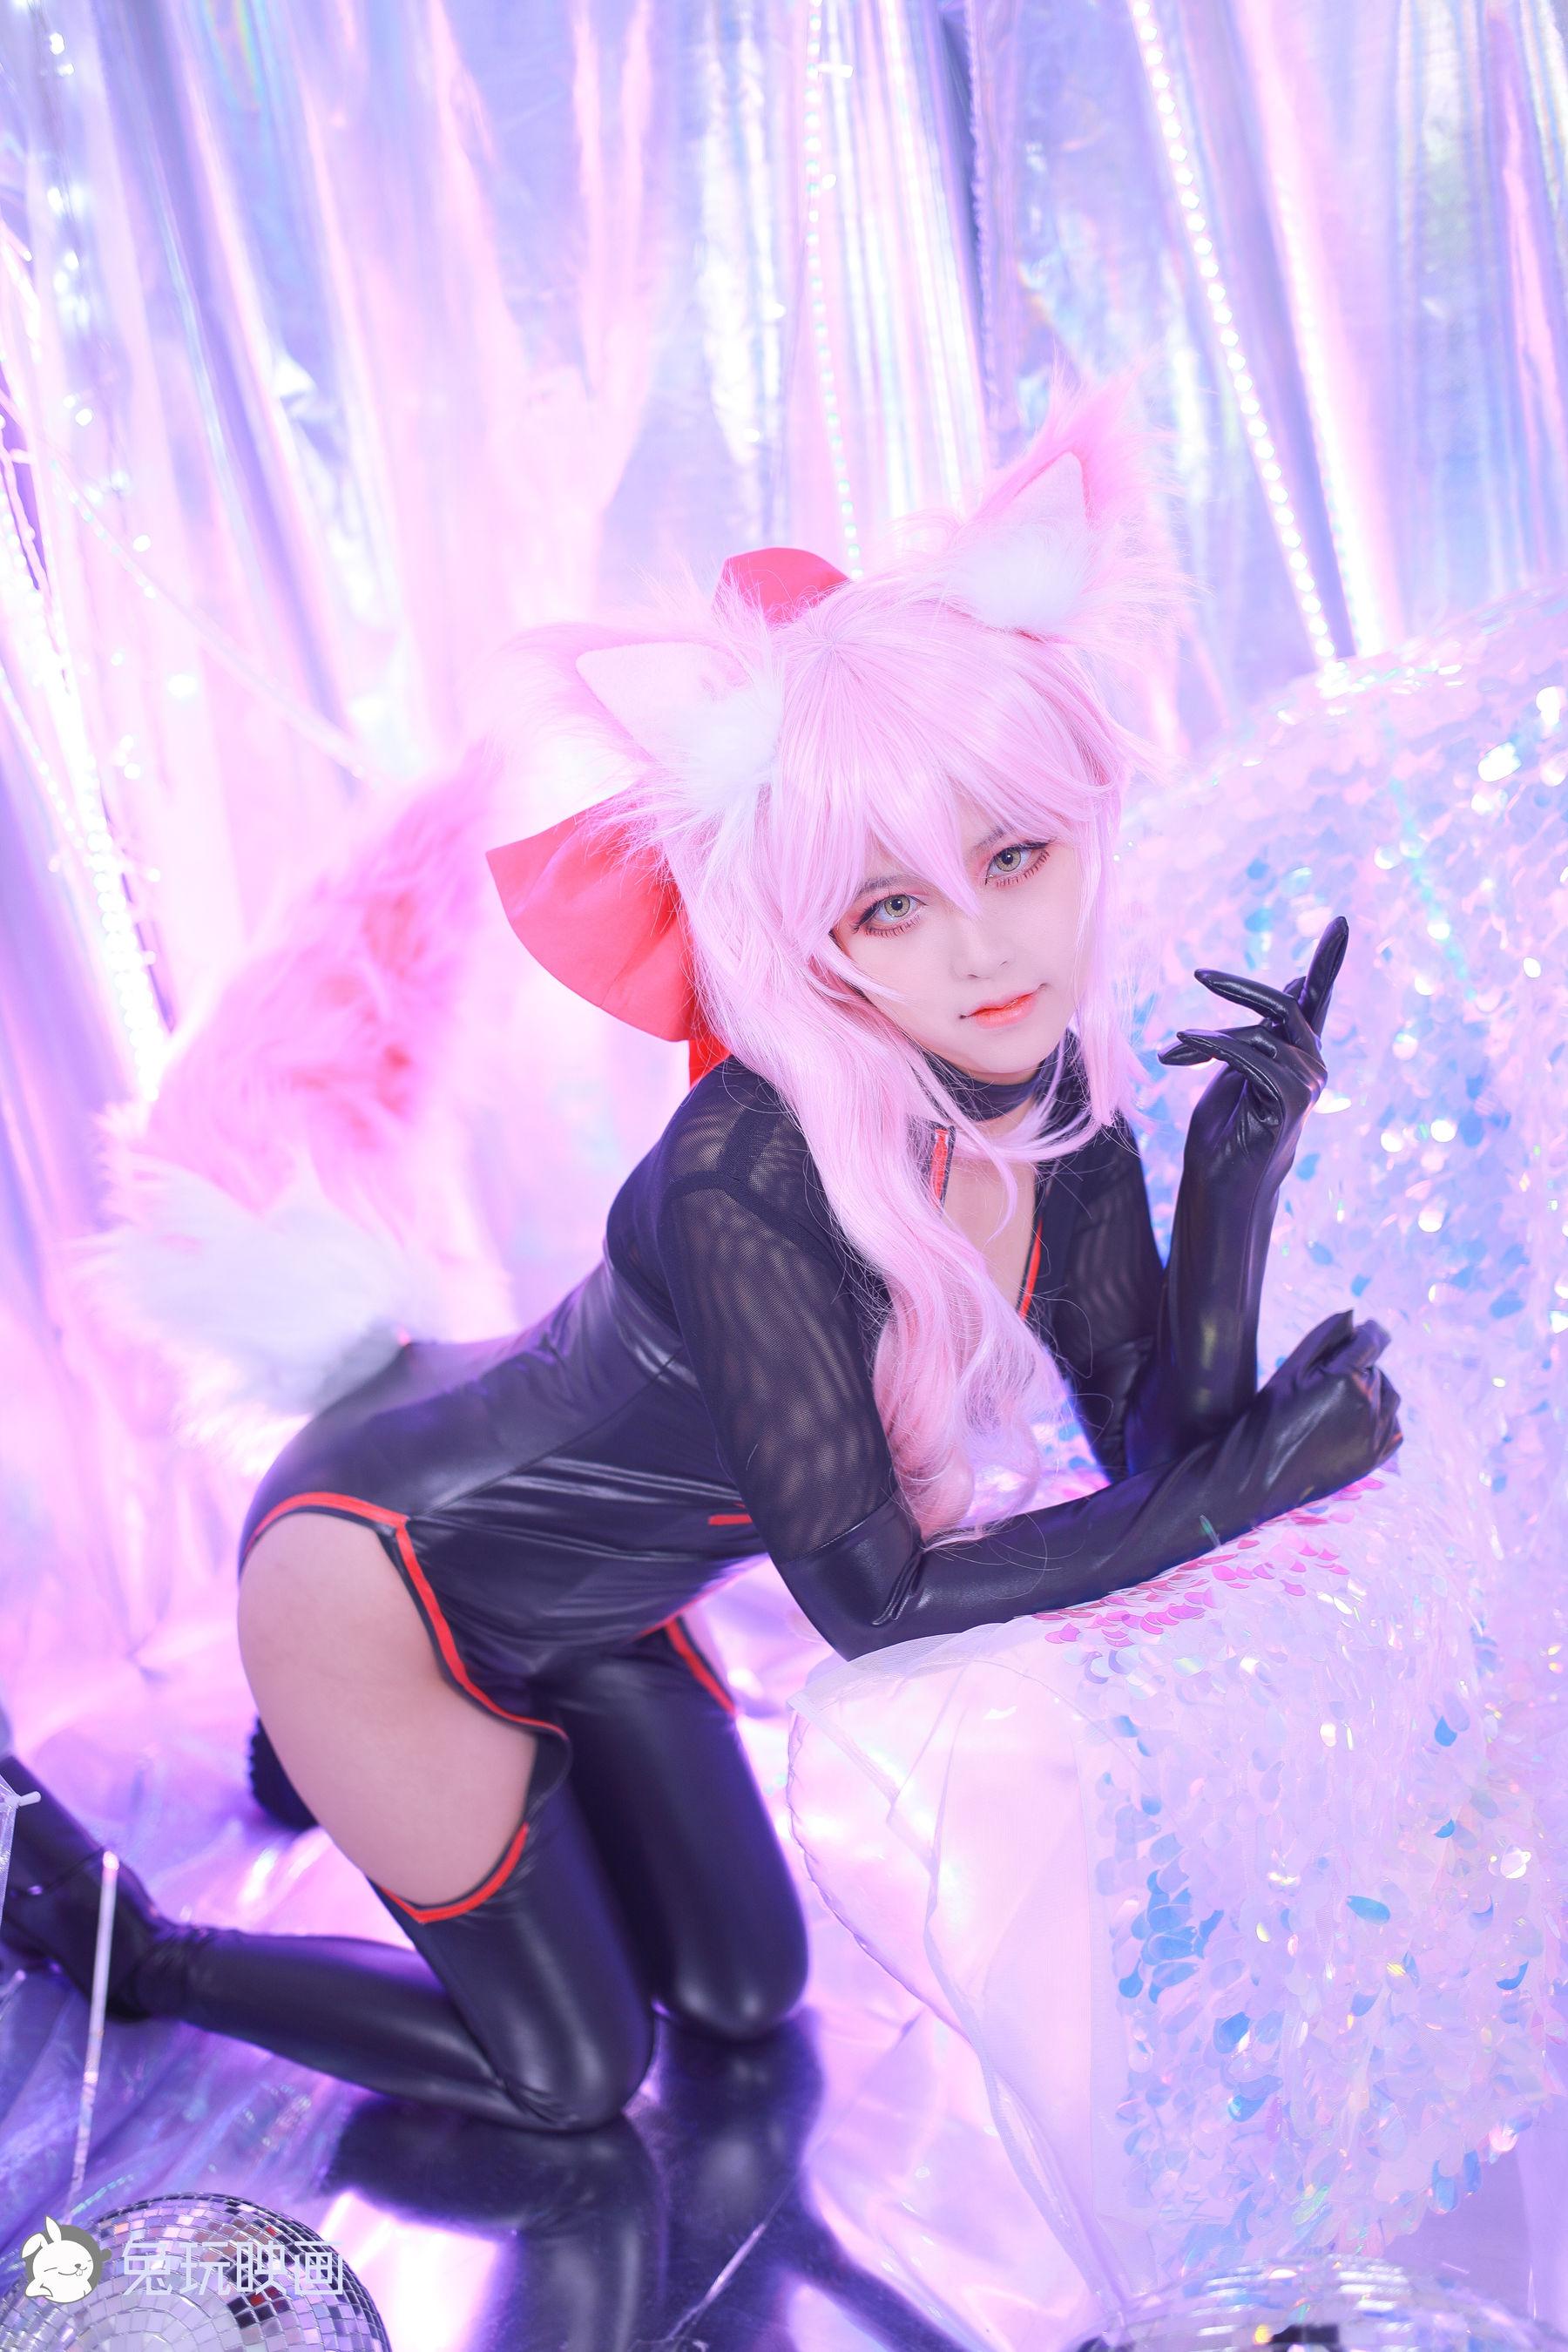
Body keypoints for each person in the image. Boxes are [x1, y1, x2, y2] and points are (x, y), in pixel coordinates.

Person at [0, 383, 1399, 2135]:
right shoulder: (754, 1169)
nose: (984, 950)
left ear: (1081, 820)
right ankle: (131, 1941)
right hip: (378, 1580)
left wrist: (1235, 1184)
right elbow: (876, 1602)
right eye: (890, 904)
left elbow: (1149, 1454)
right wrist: (1252, 1486)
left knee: (747, 1995)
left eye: (1015, 856)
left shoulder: (1055, 1108)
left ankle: (405, 1778)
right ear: (803, 928)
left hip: (595, 1599)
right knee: (575, 2080)